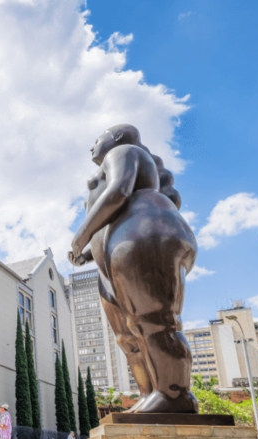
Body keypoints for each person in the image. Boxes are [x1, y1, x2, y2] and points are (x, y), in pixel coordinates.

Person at [68, 124, 198, 414]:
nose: (93, 146)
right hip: (114, 257)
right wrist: (88, 253)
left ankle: (174, 393)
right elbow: (111, 219)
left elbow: (119, 191)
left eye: (97, 139)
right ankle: (150, 393)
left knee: (153, 320)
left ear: (115, 139)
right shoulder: (118, 154)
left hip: (141, 240)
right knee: (127, 336)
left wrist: (81, 235)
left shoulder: (122, 151)